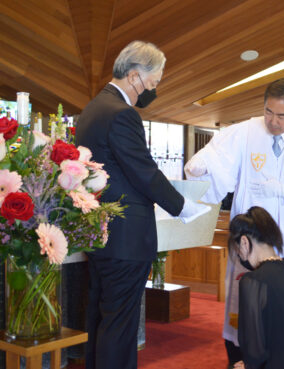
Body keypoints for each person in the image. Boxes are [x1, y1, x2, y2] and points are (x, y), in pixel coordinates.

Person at [75, 40, 209, 369]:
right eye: (154, 82)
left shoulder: (92, 110)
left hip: (101, 233)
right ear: (135, 76)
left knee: (101, 320)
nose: (152, 90)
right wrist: (185, 208)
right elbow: (144, 172)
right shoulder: (122, 114)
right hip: (125, 239)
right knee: (120, 326)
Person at [184, 78, 284, 366]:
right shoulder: (244, 132)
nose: (272, 122)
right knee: (246, 303)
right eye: (268, 112)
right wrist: (203, 168)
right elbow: (218, 160)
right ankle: (242, 358)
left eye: (281, 116)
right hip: (249, 241)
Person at [229, 206, 284, 369]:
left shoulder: (252, 282)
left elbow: (253, 350)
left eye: (236, 249)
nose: (239, 255)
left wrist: (247, 365)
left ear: (244, 242)